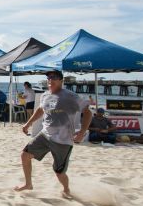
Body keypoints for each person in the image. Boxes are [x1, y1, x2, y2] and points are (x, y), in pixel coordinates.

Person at [14, 70, 92, 198]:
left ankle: (66, 189)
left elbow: (88, 113)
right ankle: (28, 184)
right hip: (45, 135)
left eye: (54, 77)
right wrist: (28, 124)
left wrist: (82, 133)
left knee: (59, 172)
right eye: (49, 77)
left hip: (63, 140)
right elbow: (40, 110)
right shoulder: (45, 95)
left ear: (61, 81)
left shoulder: (70, 96)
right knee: (25, 155)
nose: (50, 80)